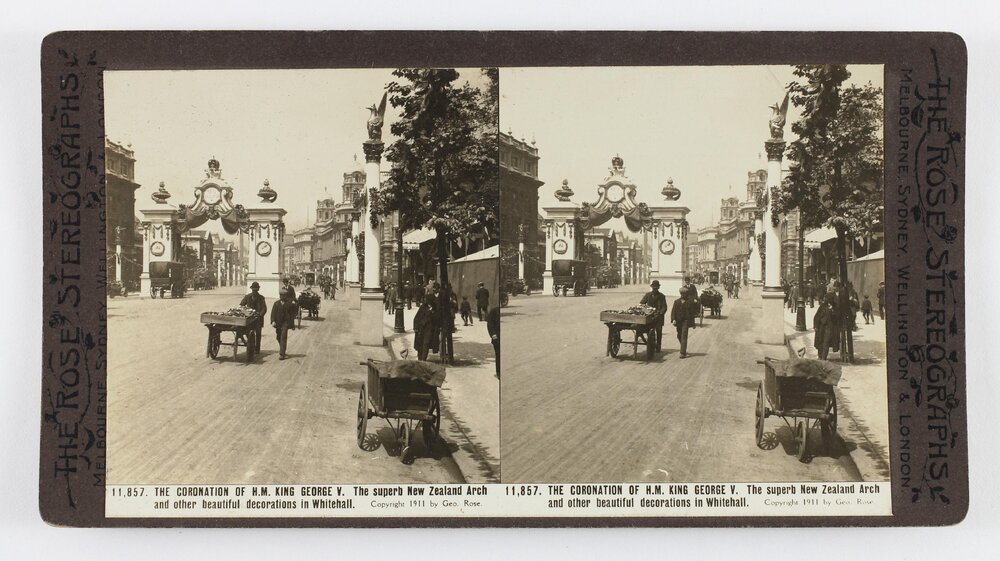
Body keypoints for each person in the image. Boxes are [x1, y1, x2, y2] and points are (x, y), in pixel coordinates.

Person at [639, 280, 668, 354]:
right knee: (649, 331)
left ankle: (658, 346)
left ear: (658, 288)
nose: (654, 289)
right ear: (652, 287)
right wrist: (646, 309)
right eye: (653, 288)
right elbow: (641, 303)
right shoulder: (648, 295)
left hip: (659, 317)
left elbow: (664, 307)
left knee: (659, 332)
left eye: (656, 288)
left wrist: (660, 313)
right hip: (649, 316)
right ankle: (651, 344)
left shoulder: (662, 296)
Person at [239, 281, 268, 354]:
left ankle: (257, 349)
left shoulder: (261, 298)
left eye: (256, 290)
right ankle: (251, 345)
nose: (254, 291)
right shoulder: (247, 297)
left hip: (258, 319)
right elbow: (241, 305)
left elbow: (264, 308)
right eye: (253, 290)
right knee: (248, 332)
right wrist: (246, 311)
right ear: (251, 289)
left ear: (258, 290)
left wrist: (260, 315)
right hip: (249, 318)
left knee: (258, 334)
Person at [670, 286, 698, 358]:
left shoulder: (690, 302)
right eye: (681, 294)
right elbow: (673, 311)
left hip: (686, 321)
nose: (683, 295)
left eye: (684, 294)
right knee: (679, 335)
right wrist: (673, 319)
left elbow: (692, 313)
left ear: (686, 294)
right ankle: (683, 346)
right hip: (678, 321)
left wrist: (693, 323)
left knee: (684, 336)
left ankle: (682, 352)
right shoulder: (676, 302)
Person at [270, 288, 297, 360]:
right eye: (280, 295)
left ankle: (282, 354)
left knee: (283, 337)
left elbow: (292, 315)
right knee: (278, 337)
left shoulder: (289, 304)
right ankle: (282, 347)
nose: (281, 297)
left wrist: (292, 324)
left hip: (286, 322)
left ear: (286, 296)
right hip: (278, 323)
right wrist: (273, 321)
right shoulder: (276, 303)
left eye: (283, 295)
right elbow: (273, 313)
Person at [813, 295, 834, 360]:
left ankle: (824, 358)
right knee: (820, 342)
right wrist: (816, 326)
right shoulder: (822, 307)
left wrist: (832, 310)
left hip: (828, 327)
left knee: (826, 343)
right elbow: (817, 317)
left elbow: (836, 317)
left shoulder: (833, 307)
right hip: (821, 327)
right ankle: (820, 356)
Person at [487, 305, 501, 379]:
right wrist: (493, 334)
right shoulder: (494, 311)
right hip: (497, 339)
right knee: (498, 355)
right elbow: (490, 324)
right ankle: (499, 373)